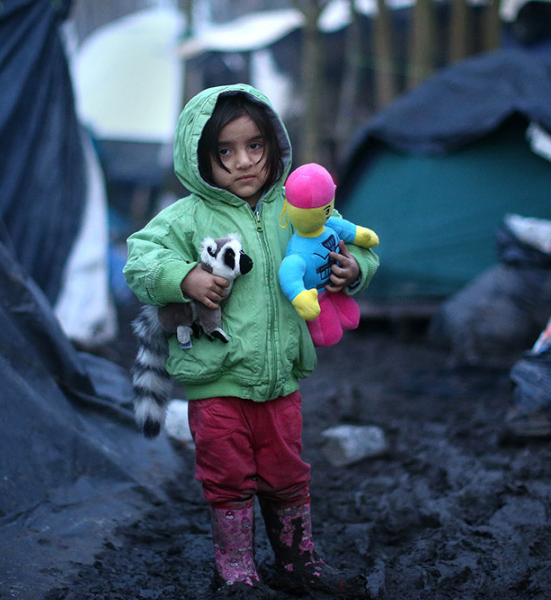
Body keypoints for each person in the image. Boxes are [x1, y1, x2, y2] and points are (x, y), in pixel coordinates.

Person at [123, 84, 379, 599]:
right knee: (228, 476)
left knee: (288, 471)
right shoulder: (186, 217)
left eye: (255, 146)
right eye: (226, 151)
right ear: (201, 158)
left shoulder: (295, 208)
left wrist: (353, 271)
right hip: (216, 380)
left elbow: (350, 241)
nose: (244, 162)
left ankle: (296, 561)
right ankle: (235, 571)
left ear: (273, 146)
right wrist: (184, 278)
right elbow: (138, 260)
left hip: (281, 376)